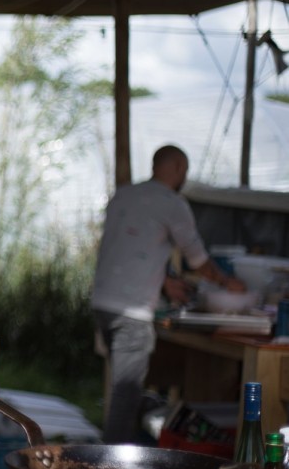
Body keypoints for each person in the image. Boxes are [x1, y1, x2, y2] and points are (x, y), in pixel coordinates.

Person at [91, 144, 245, 444]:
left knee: (123, 393)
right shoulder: (172, 203)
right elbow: (198, 260)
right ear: (176, 168)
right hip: (132, 312)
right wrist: (230, 284)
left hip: (102, 304)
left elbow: (129, 250)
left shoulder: (123, 195)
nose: (184, 177)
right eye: (185, 170)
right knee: (126, 397)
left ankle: (117, 457)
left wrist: (165, 281)